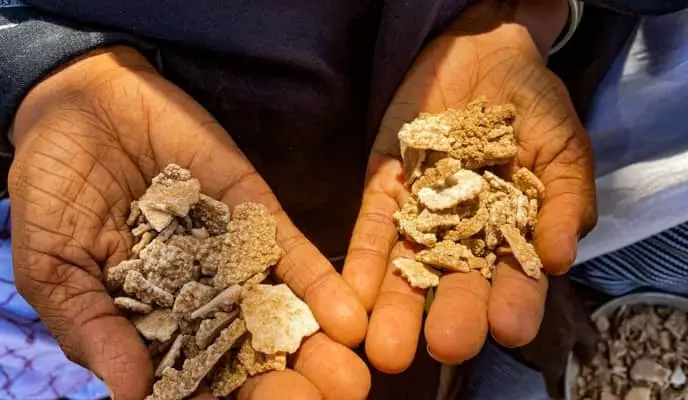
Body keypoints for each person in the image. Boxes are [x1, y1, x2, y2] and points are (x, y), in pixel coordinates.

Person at [0, 0, 685, 399]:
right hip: (196, 136)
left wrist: (517, 12)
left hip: (472, 89)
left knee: (433, 331)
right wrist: (36, 66)